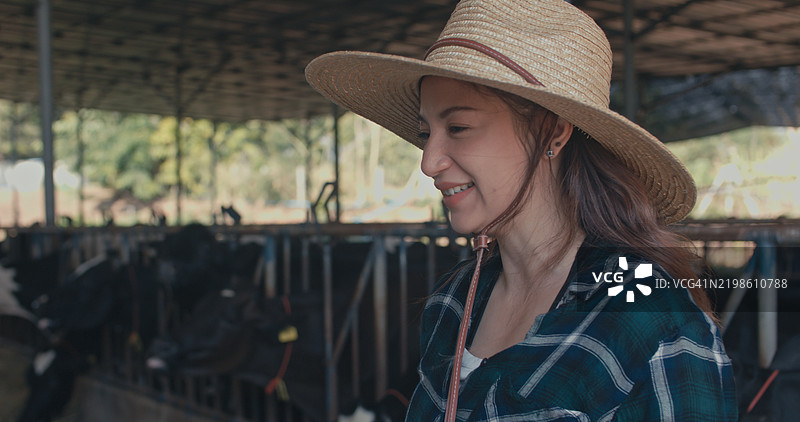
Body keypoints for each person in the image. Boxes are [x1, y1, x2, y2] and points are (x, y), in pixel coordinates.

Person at [306, 0, 738, 420]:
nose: (428, 161)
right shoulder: (453, 301)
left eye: (458, 128)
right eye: (425, 132)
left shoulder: (648, 315)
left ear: (552, 132)